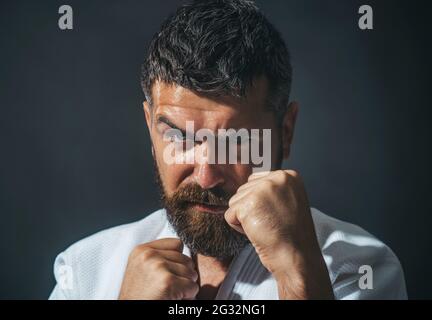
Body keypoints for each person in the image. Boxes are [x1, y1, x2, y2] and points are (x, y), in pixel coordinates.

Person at [49, 0, 407, 300]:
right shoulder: (84, 273)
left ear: (286, 130)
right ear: (149, 126)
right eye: (181, 138)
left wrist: (299, 274)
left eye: (237, 141)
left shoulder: (359, 269)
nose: (206, 175)